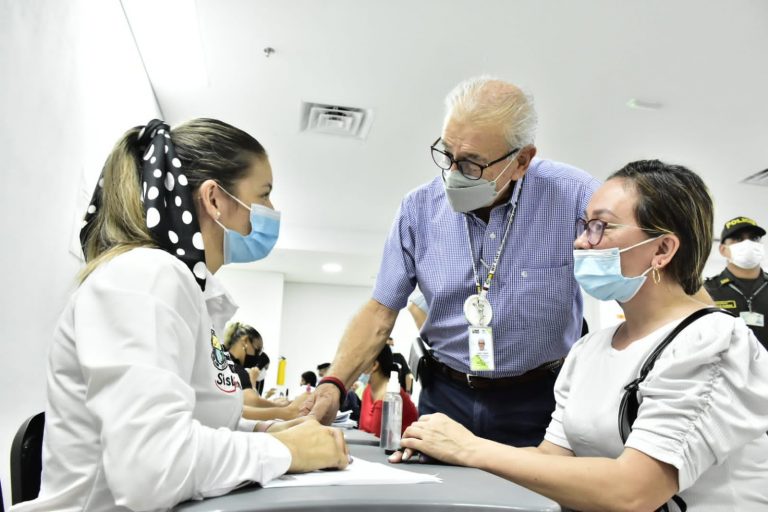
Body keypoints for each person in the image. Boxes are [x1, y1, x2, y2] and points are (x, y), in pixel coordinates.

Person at [391, 160, 768, 510]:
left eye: (601, 226)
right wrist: (449, 449)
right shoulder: (589, 349)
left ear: (663, 249)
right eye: (585, 226)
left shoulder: (712, 342)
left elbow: (635, 490)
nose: (581, 241)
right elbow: (549, 460)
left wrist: (472, 449)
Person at [13, 119, 348, 512]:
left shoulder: (184, 286)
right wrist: (285, 449)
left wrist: (265, 429)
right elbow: (151, 469)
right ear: (215, 199)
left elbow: (199, 423)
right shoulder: (145, 276)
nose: (271, 211)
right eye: (264, 195)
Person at [304, 76, 600, 446]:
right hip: (447, 394)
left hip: (541, 397)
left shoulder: (574, 197)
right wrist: (334, 384)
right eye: (447, 155)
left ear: (521, 161)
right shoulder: (418, 209)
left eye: (472, 163)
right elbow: (380, 312)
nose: (453, 174)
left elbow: (629, 274)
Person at [705, 216, 767, 349]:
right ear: (723, 250)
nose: (748, 243)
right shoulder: (707, 291)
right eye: (738, 239)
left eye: (754, 238)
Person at [359, 345, 419, 437]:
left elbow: (379, 438)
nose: (358, 368)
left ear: (374, 365)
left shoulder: (390, 397)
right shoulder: (368, 390)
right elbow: (363, 431)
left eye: (361, 362)